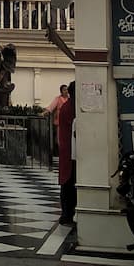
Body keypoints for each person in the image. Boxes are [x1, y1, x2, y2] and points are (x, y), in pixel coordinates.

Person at [57, 81, 76, 227]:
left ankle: (67, 214)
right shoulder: (70, 108)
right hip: (71, 152)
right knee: (69, 184)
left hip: (69, 151)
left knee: (67, 184)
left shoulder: (67, 107)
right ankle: (67, 214)